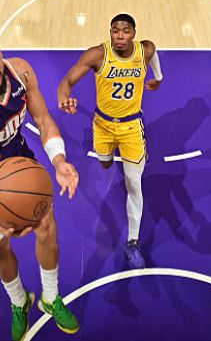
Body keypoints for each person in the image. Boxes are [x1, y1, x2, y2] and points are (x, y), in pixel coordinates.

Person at [0, 29, 80, 341]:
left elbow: (44, 120)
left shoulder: (20, 72)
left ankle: (51, 297)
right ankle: (19, 301)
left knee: (47, 227)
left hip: (19, 162)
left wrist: (59, 161)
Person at [57, 14, 163, 269]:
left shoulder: (145, 50)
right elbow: (67, 82)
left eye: (125, 31)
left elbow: (153, 54)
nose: (120, 36)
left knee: (133, 184)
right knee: (104, 163)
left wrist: (158, 77)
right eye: (115, 31)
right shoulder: (98, 55)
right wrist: (63, 97)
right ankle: (108, 154)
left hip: (131, 127)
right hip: (103, 126)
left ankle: (133, 242)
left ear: (134, 33)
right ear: (110, 33)